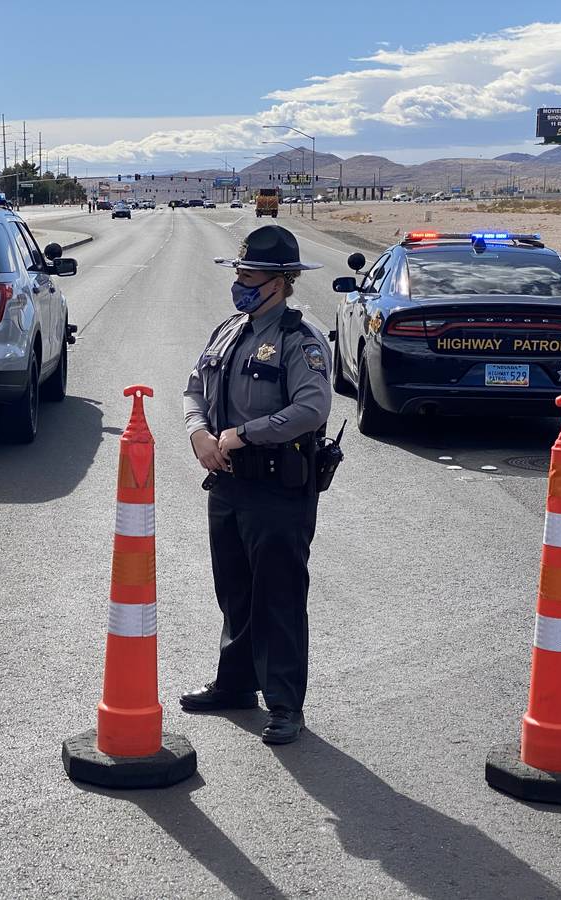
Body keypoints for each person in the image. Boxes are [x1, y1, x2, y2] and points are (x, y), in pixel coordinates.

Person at [180, 224, 332, 745]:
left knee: (279, 596)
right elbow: (194, 388)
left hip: (277, 486)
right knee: (234, 588)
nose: (240, 280)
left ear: (282, 280)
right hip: (226, 482)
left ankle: (286, 703)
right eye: (238, 271)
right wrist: (198, 432)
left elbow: (310, 411)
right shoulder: (229, 328)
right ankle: (236, 684)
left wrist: (241, 435)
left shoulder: (298, 338)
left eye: (250, 273)